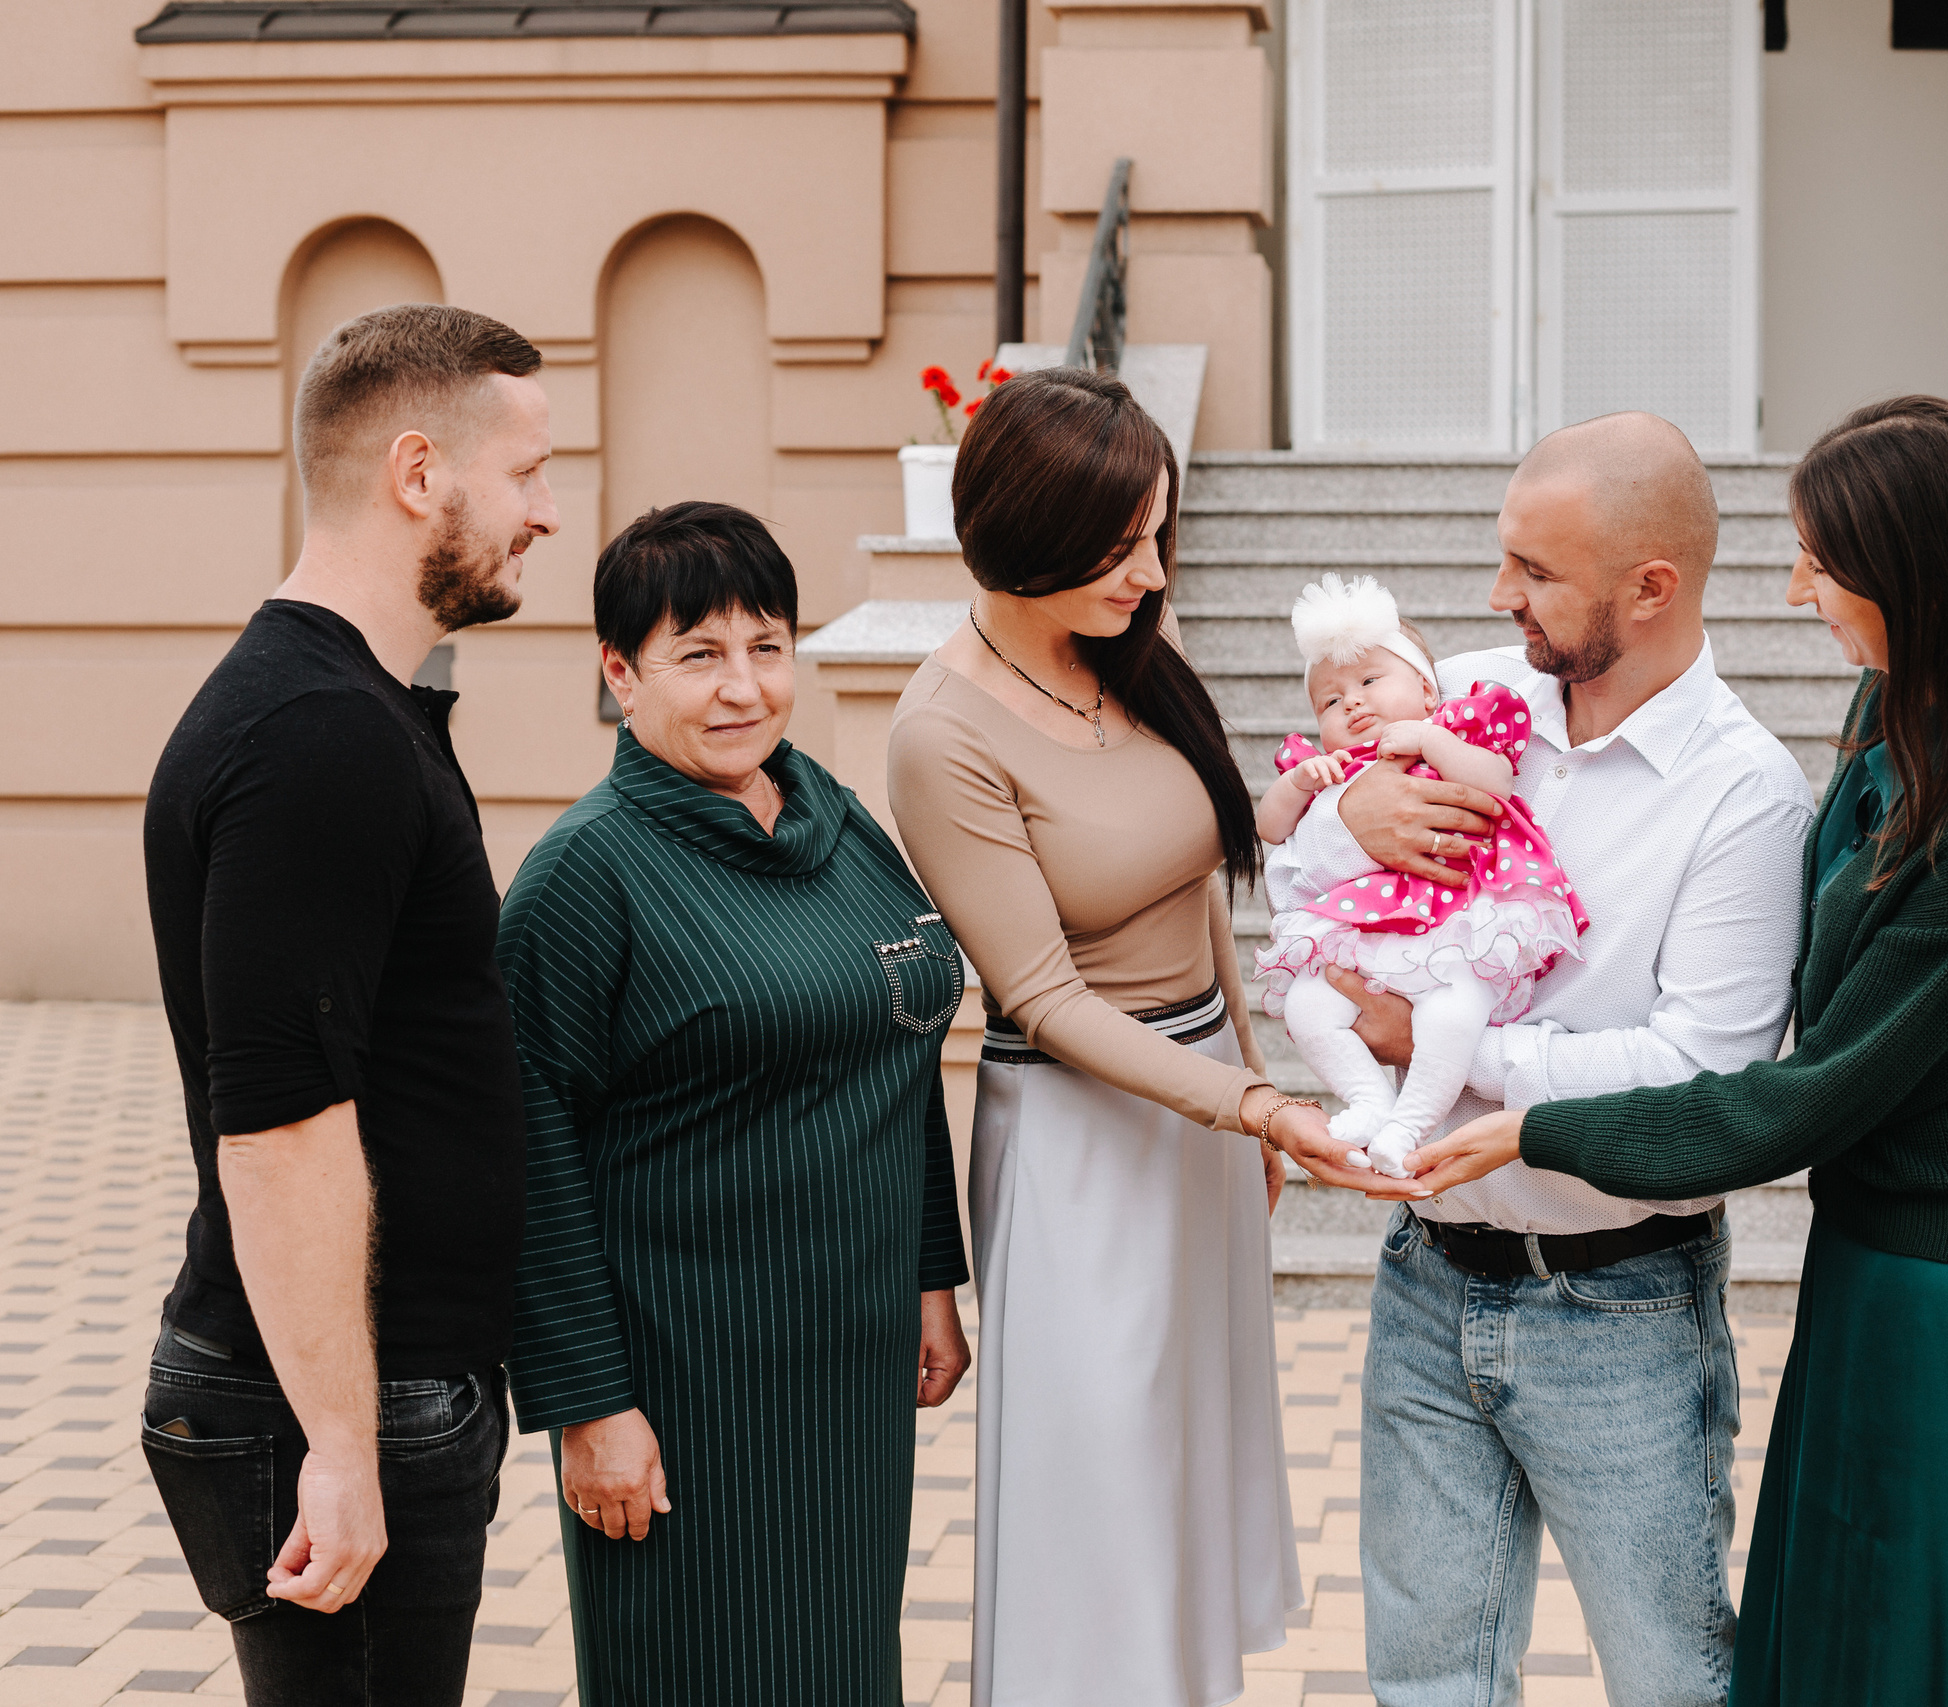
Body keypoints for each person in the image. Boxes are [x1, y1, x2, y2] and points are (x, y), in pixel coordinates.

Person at [1410, 397, 1948, 1706]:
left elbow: (1811, 1092)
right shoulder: (1900, 715)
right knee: (1848, 1645)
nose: (1796, 586)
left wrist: (1538, 1117)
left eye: (1823, 560)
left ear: (1921, 584)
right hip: (1878, 1273)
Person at [1273, 411, 1814, 1705]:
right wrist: (1350, 801)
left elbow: (1702, 1068)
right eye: (1503, 557)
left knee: (1673, 1679)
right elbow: (1315, 801)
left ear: (1651, 586)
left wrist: (1442, 1043)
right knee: (1424, 1680)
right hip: (1425, 1273)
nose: (1497, 594)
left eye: (1534, 570)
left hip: (1619, 1304)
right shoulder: (1477, 692)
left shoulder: (1743, 794)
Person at [887, 367, 1390, 1707]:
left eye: (1159, 535)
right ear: (1022, 532)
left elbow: (1199, 873)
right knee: (1095, 1484)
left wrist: (1254, 1078)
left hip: (1200, 1107)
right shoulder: (943, 732)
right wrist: (1255, 1110)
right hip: (1077, 1138)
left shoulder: (1127, 658)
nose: (1150, 570)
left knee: (1183, 1460)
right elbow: (1042, 996)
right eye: (1118, 547)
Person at [138, 303, 556, 1706]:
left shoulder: (349, 708)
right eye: (529, 474)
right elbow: (280, 1125)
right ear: (420, 473)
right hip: (333, 1395)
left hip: (370, 1380)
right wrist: (341, 1438)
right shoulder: (317, 735)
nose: (547, 515)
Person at [500, 501, 972, 1705]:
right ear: (620, 674)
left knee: (837, 1660)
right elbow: (526, 1150)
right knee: (705, 1668)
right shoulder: (586, 875)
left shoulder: (833, 816)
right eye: (697, 655)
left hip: (850, 1359)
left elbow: (896, 1040)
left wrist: (929, 1273)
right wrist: (588, 1407)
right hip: (691, 1375)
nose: (742, 688)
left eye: (767, 646)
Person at [1254, 573, 1587, 1175]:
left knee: (1453, 1011)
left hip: (1459, 921)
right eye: (1330, 700)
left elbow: (1496, 782)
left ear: (1430, 691)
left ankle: (1411, 1123)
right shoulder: (1331, 769)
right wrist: (1298, 785)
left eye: (1370, 681)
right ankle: (1366, 1096)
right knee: (1307, 1002)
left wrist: (1431, 739)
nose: (1351, 701)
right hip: (1370, 934)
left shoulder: (1459, 728)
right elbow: (1272, 831)